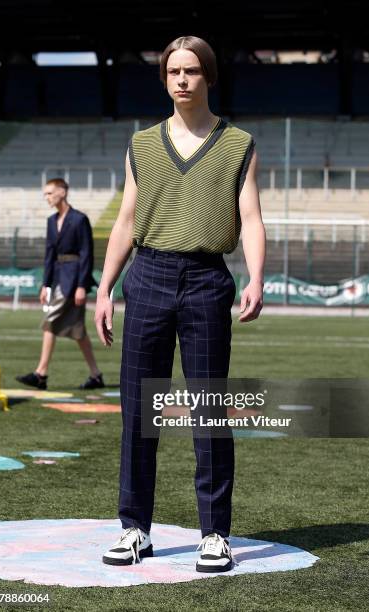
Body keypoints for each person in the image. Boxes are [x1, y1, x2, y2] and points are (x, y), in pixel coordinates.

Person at [95, 35, 265, 572]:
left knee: (210, 412)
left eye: (193, 71)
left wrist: (255, 277)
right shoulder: (142, 145)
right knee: (138, 413)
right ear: (165, 79)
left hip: (207, 280)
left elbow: (253, 218)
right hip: (146, 276)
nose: (183, 81)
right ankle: (134, 529)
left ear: (209, 77)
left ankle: (214, 534)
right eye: (174, 72)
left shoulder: (239, 143)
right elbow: (125, 220)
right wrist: (105, 286)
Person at [16, 178, 104, 391]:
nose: (46, 197)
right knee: (78, 331)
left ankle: (41, 374)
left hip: (74, 279)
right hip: (57, 278)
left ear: (62, 192)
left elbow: (86, 253)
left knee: (50, 320)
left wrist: (82, 285)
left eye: (49, 193)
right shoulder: (51, 221)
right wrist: (45, 285)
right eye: (45, 194)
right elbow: (49, 254)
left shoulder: (79, 219)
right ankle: (96, 375)